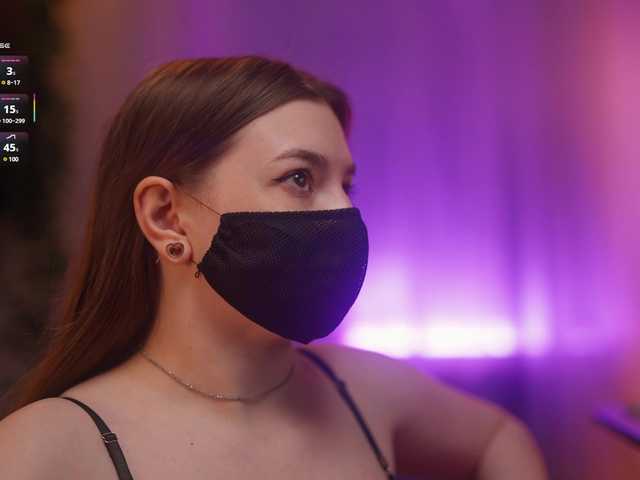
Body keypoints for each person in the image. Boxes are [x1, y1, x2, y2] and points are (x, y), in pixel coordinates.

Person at [0, 55, 548, 479]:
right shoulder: (50, 446)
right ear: (167, 217)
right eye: (300, 179)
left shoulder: (362, 389)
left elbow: (499, 438)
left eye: (347, 185)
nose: (344, 213)